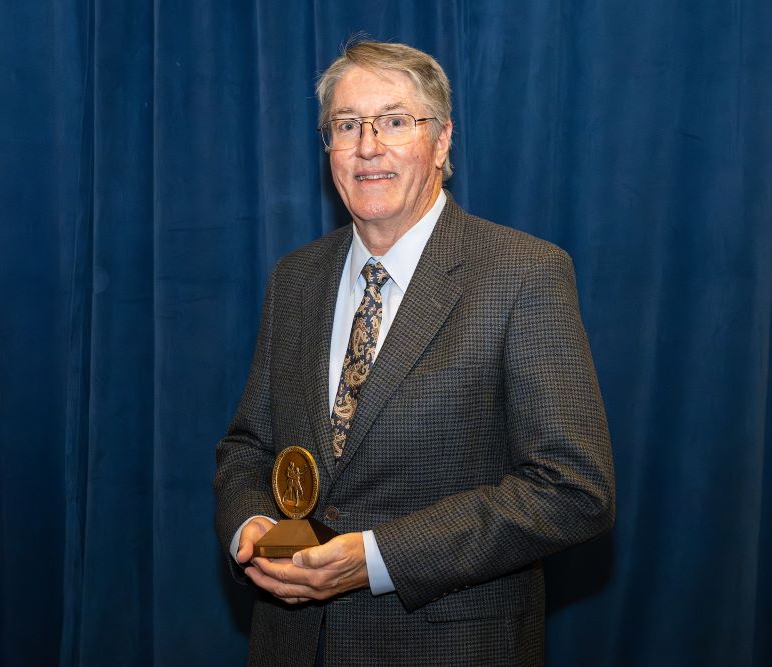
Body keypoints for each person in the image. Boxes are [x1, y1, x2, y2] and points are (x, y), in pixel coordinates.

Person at [214, 40, 615, 666]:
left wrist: (375, 559)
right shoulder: (294, 279)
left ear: (442, 140)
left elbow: (572, 489)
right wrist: (251, 528)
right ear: (329, 148)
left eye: (395, 122)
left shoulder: (524, 274)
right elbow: (248, 447)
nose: (368, 146)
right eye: (347, 126)